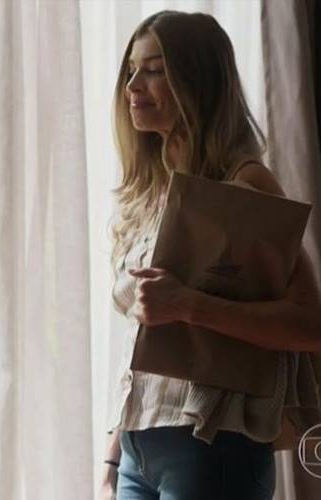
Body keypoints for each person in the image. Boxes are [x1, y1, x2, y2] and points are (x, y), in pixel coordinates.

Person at [98, 10, 321, 500]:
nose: (133, 86)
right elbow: (143, 345)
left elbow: (309, 325)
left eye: (154, 70)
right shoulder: (150, 191)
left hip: (212, 449)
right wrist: (113, 457)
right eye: (131, 70)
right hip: (138, 448)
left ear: (196, 80)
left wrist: (188, 304)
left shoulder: (244, 182)